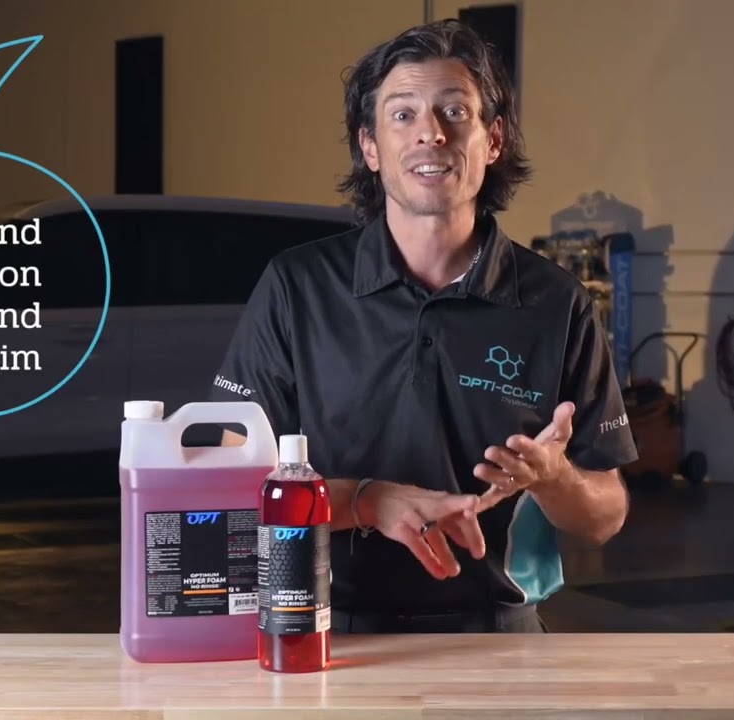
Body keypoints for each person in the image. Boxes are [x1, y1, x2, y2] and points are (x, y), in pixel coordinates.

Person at [211, 19, 638, 633]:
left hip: (500, 634)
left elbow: (605, 516)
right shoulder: (297, 288)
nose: (430, 133)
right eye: (403, 114)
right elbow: (226, 486)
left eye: (454, 111)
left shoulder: (555, 303)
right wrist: (366, 501)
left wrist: (554, 478)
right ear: (370, 146)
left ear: (493, 140)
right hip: (324, 629)